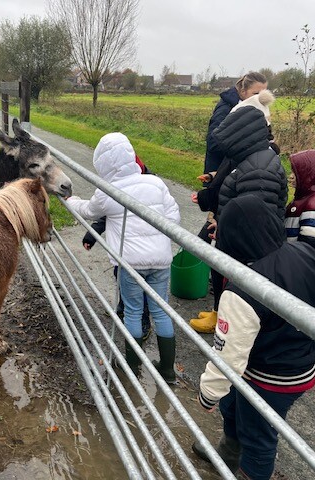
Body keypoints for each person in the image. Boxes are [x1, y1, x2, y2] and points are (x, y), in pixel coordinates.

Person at [194, 194, 315, 479]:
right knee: (233, 405)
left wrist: (207, 395)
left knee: (259, 436)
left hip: (268, 378)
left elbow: (229, 357)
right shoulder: (308, 254)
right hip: (300, 367)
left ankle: (248, 468)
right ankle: (228, 452)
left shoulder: (241, 290)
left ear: (232, 239)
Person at [65, 132, 181, 382]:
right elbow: (174, 218)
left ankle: (132, 364)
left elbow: (88, 210)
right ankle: (168, 370)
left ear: (103, 164)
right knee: (161, 311)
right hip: (160, 261)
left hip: (130, 264)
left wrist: (69, 200)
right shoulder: (155, 182)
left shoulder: (109, 190)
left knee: (132, 310)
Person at [191, 88, 286, 334]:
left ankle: (231, 330)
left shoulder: (259, 170)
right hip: (232, 237)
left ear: (240, 140)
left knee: (241, 297)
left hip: (247, 254)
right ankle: (223, 316)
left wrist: (226, 229)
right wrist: (222, 225)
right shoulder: (251, 159)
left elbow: (253, 219)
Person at [82, 153, 152, 342]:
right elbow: (107, 212)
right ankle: (123, 304)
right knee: (119, 273)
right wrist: (92, 234)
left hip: (142, 246)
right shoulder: (120, 185)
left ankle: (144, 319)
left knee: (139, 284)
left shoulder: (149, 185)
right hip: (123, 245)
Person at [285, 149, 315, 256]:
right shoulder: (304, 197)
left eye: (296, 173)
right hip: (291, 256)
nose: (291, 176)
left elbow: (307, 248)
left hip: (299, 263)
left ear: (309, 175)